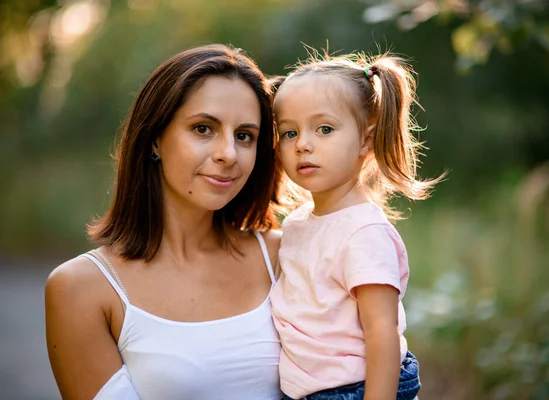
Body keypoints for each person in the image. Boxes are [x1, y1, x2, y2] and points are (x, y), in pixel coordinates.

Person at [45, 44, 283, 399]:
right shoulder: (82, 289)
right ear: (155, 137)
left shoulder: (285, 256)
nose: (228, 154)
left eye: (244, 135)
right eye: (203, 129)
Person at [270, 51, 444, 400]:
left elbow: (382, 333)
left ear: (366, 140)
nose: (303, 144)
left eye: (324, 129)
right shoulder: (300, 222)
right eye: (289, 132)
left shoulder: (363, 233)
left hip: (354, 390)